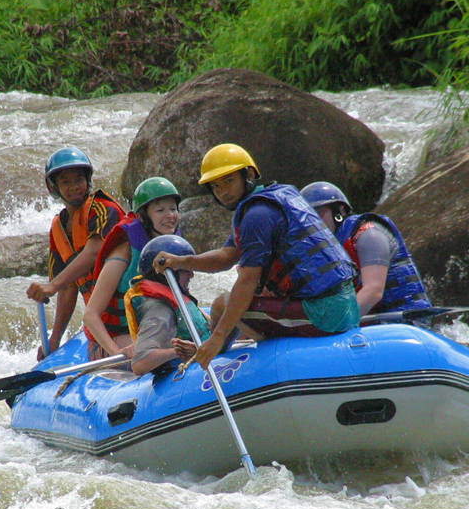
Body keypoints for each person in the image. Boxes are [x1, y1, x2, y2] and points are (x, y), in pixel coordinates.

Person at [152, 143, 359, 370]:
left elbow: (248, 280)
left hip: (324, 313)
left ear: (248, 175)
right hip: (341, 304)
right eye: (216, 186)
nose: (223, 191)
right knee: (223, 305)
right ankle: (211, 350)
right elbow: (227, 256)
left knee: (225, 304)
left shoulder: (257, 215)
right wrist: (183, 260)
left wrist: (217, 337)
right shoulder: (275, 198)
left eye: (229, 181)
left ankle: (219, 352)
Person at [25, 146, 126, 357]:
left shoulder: (103, 208)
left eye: (79, 179)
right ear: (54, 187)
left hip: (130, 315)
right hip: (101, 324)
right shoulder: (58, 229)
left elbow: (93, 252)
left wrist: (51, 285)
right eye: (66, 182)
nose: (74, 187)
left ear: (87, 181)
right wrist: (55, 339)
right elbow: (68, 288)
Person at [82, 176, 182, 359]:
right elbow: (90, 315)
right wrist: (116, 352)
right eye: (160, 210)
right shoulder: (124, 252)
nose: (170, 216)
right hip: (115, 339)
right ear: (143, 217)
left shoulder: (173, 247)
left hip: (153, 329)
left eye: (173, 209)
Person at [300, 180, 433, 316]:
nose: (316, 224)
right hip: (373, 324)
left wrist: (338, 323)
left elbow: (374, 291)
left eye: (320, 215)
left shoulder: (369, 234)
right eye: (310, 219)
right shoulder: (326, 251)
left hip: (408, 320)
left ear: (338, 212)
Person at [123, 234, 206, 376]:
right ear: (167, 275)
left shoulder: (176, 301)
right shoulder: (159, 310)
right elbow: (140, 363)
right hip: (178, 375)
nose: (191, 275)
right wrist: (178, 351)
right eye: (186, 269)